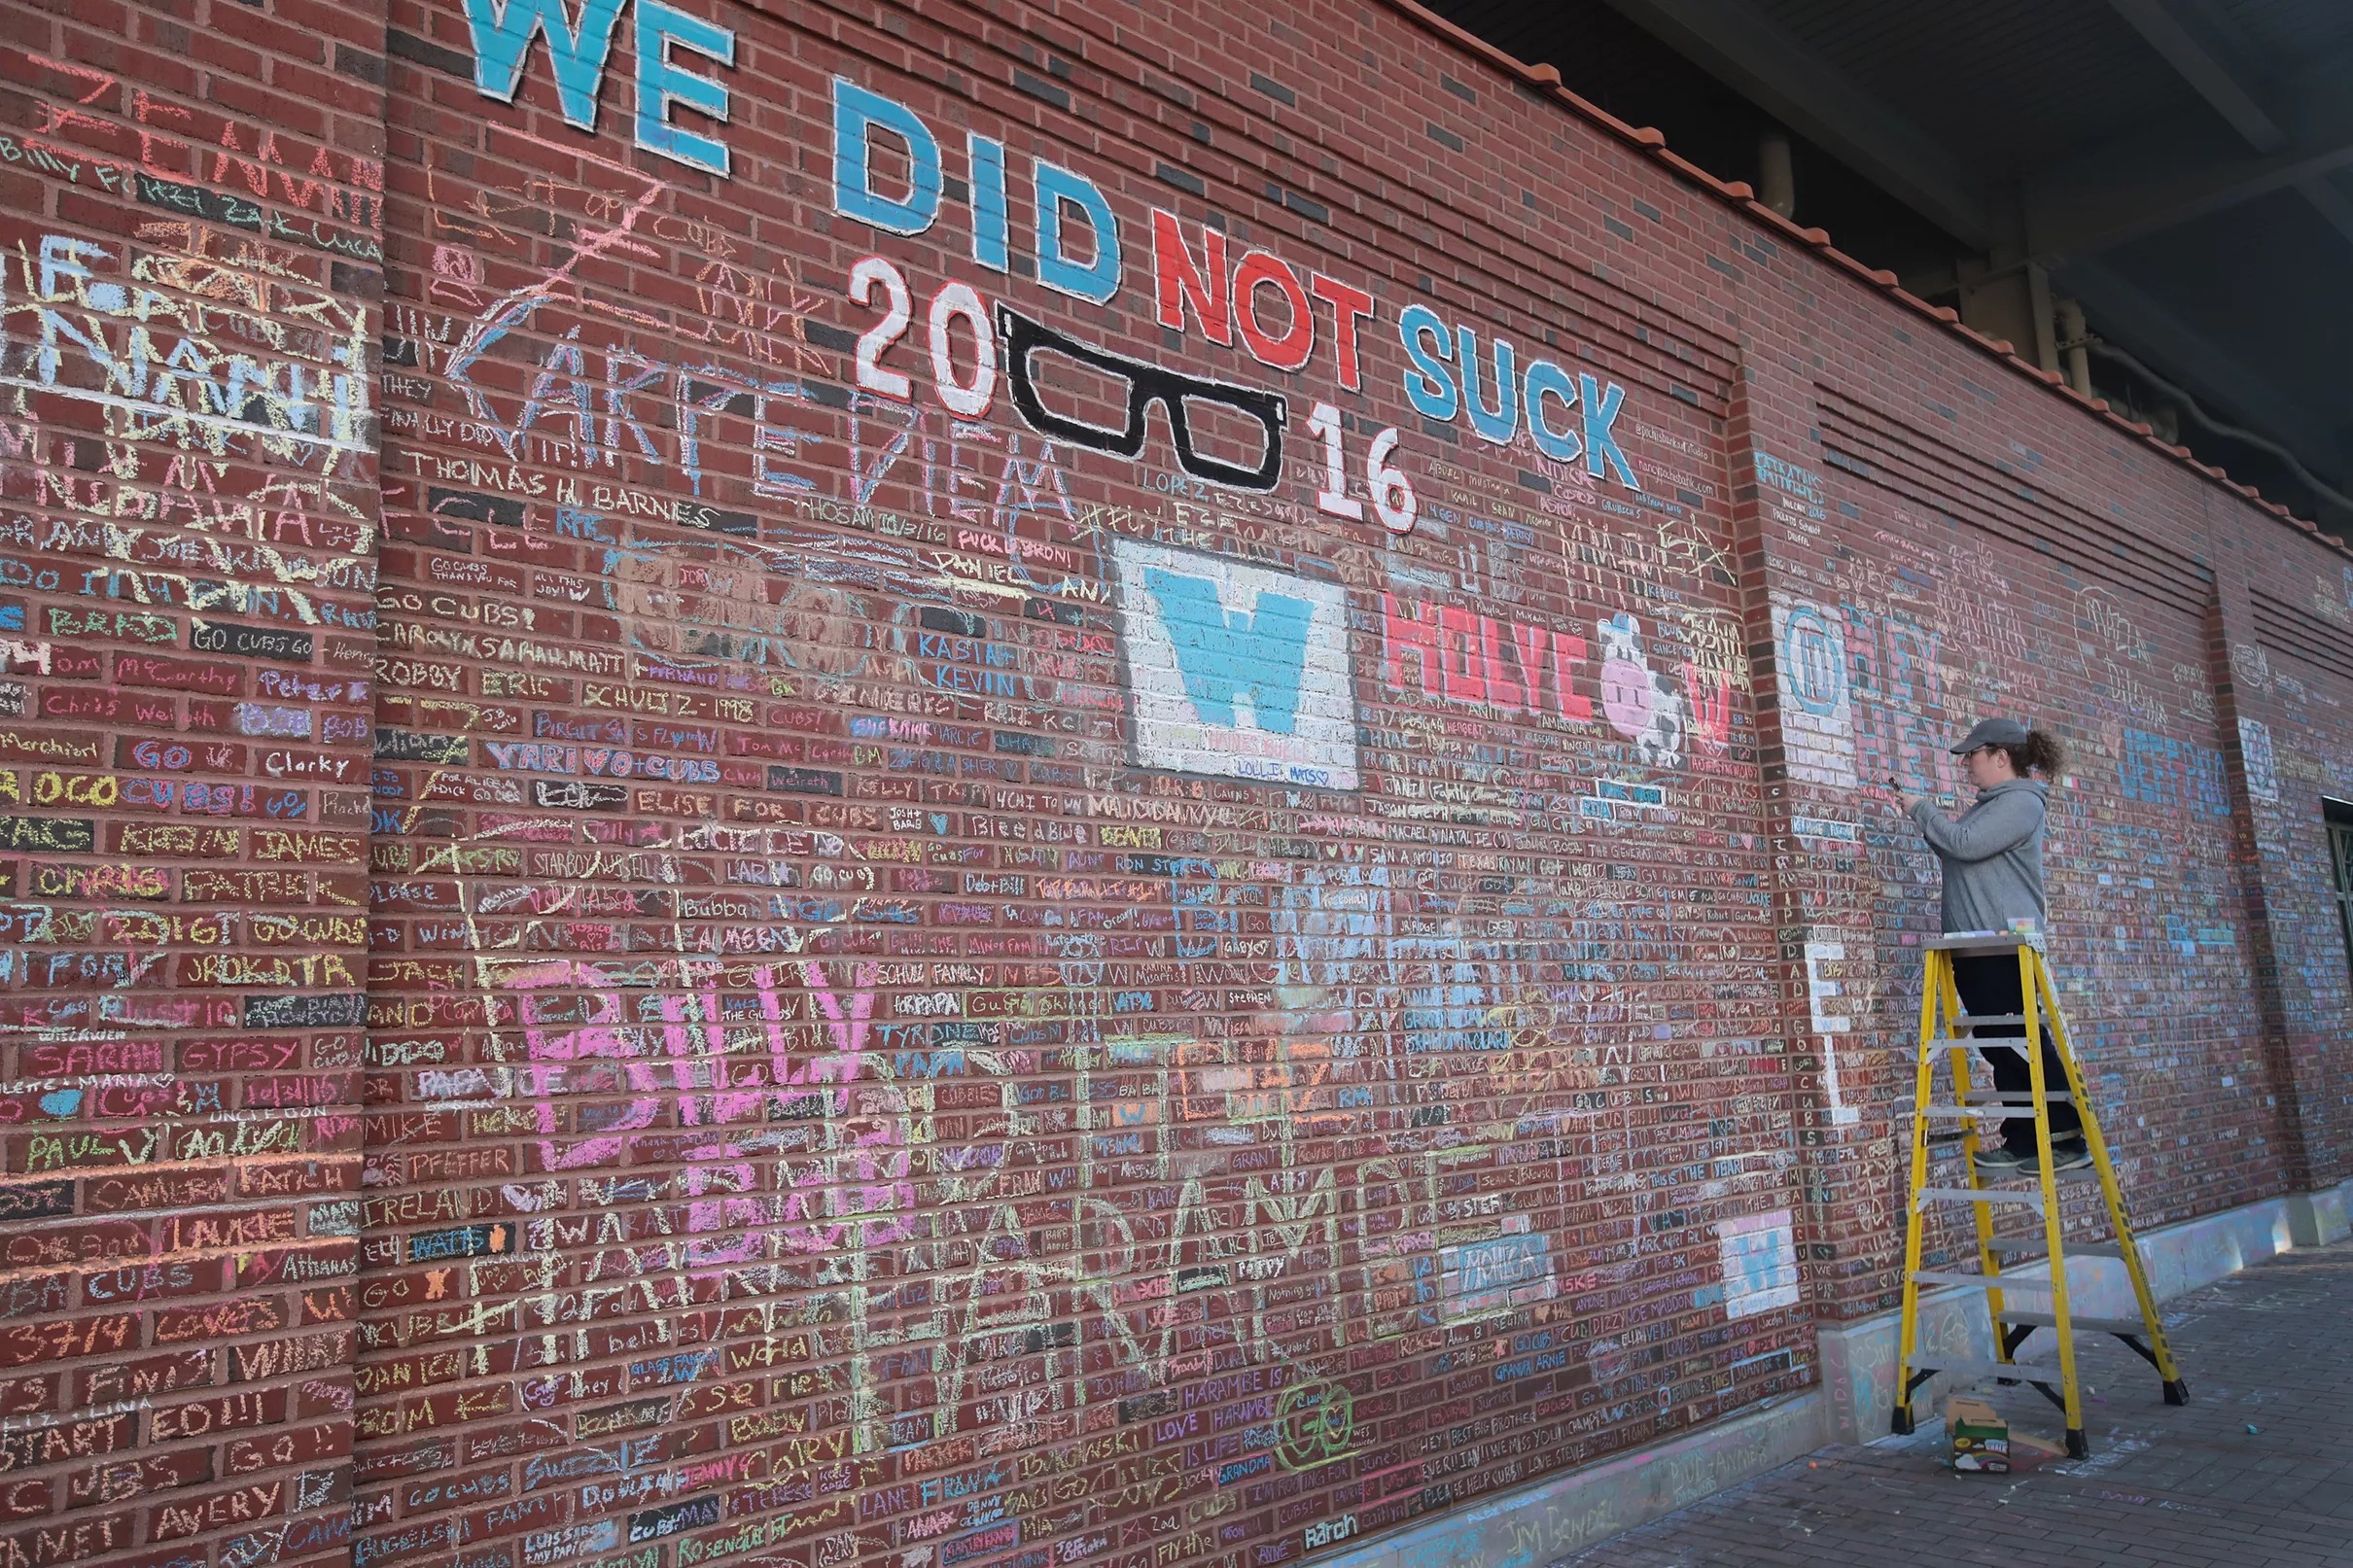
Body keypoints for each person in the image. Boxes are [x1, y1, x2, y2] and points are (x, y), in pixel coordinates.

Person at [1892, 717, 2088, 1174]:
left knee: (2019, 1042)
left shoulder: (2020, 802)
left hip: (2002, 948)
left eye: (1972, 757)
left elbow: (1964, 844)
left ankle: (2066, 1138)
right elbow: (1958, 850)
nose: (1967, 766)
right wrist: (1926, 820)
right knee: (1999, 1045)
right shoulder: (1990, 807)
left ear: (2001, 757)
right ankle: (2023, 1140)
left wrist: (1923, 810)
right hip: (1977, 950)